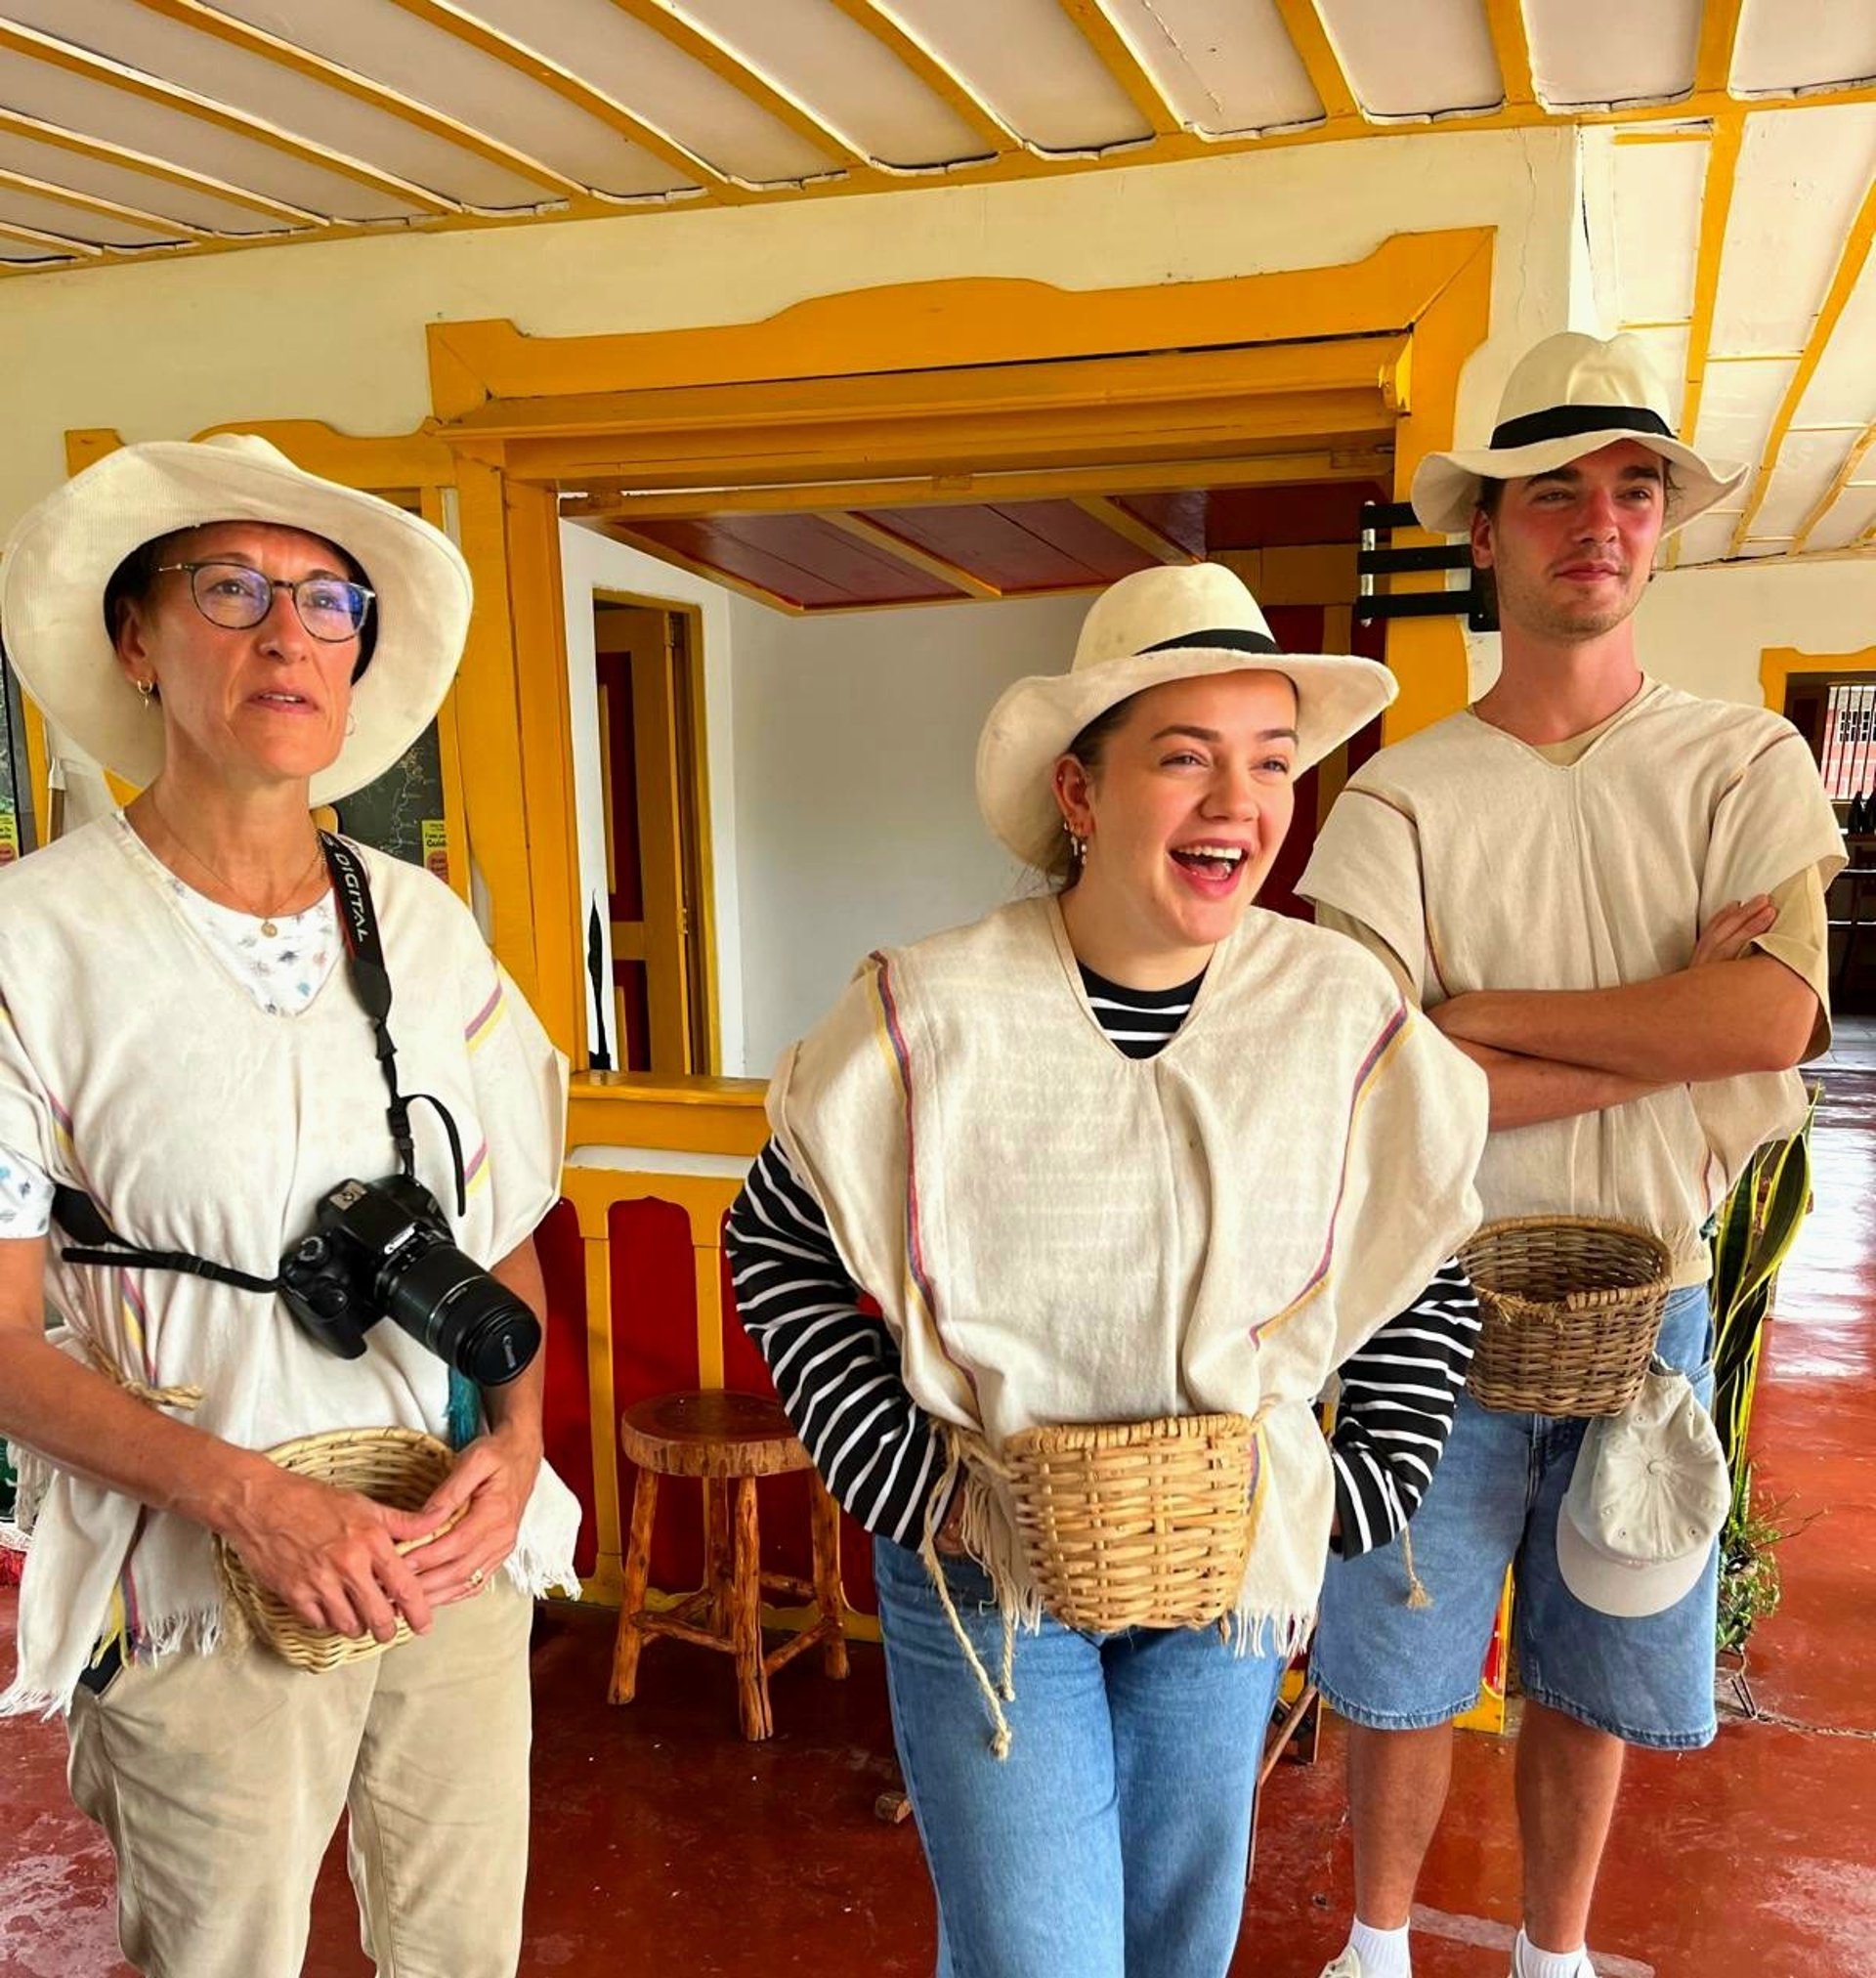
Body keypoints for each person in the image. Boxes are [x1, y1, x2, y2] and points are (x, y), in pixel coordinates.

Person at [724, 562, 1490, 1978]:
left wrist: (1366, 1482)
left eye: (1271, 761)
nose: (1238, 803)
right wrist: (910, 1481)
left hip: (1224, 1563)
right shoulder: (933, 1010)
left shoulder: (1336, 1009)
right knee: (1040, 1955)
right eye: (1184, 758)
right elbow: (775, 1236)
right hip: (986, 1560)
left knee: (1179, 1946)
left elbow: (1423, 1252)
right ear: (1078, 792)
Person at [1300, 332, 1845, 1978]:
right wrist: (1662, 1021)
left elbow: (1769, 1021)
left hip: (1649, 1303)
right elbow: (1370, 1086)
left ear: (1660, 526)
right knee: (1400, 1667)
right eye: (1554, 491)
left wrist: (1478, 1022)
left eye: (1633, 488)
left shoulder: (1744, 764)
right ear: (1486, 530)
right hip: (1428, 1301)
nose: (1599, 520)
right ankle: (1377, 1949)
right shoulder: (1398, 803)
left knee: (1594, 1661)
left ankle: (1557, 1956)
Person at [0, 435, 580, 1978]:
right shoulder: (34, 946)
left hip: (445, 1543)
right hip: (198, 1577)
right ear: (136, 641)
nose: (288, 635)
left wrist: (520, 1445)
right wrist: (251, 1501)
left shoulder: (428, 930)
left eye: (329, 603)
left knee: (463, 1952)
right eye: (232, 590)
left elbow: (501, 1227)